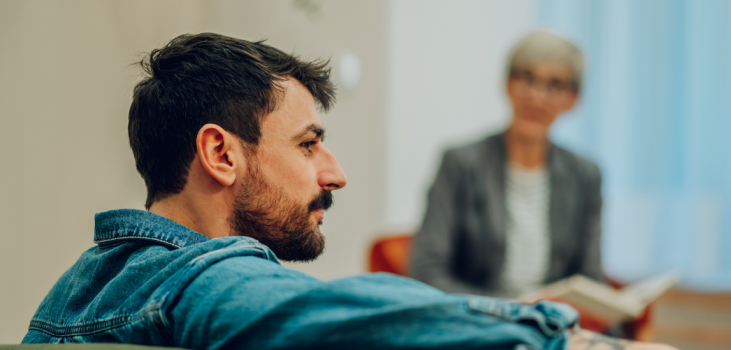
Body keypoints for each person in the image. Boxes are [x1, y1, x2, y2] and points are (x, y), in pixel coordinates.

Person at [22, 33, 673, 350]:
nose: (335, 173)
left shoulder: (79, 286)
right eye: (308, 144)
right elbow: (352, 315)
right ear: (220, 153)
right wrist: (557, 333)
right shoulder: (201, 281)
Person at [411, 31, 603, 299]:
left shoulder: (585, 176)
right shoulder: (459, 164)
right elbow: (427, 271)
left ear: (572, 99)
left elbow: (590, 277)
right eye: (527, 78)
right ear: (507, 83)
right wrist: (511, 312)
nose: (537, 96)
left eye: (554, 85)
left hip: (551, 325)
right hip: (480, 320)